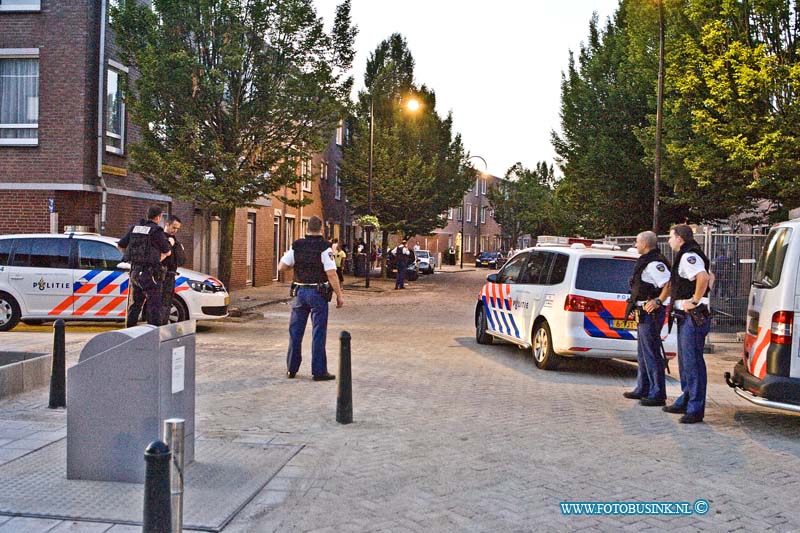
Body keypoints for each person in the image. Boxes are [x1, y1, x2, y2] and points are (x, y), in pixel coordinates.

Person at [278, 215, 344, 381]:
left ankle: (291, 369)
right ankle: (319, 371)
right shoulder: (325, 247)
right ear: (321, 229)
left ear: (306, 228)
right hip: (318, 293)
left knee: (295, 332)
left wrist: (297, 265)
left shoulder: (297, 246)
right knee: (318, 333)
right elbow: (331, 273)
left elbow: (281, 267)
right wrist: (339, 295)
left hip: (299, 293)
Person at [663, 224, 711, 424]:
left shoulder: (688, 256)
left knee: (693, 363)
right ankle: (687, 398)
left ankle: (695, 408)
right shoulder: (689, 253)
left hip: (693, 315)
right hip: (687, 316)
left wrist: (694, 300)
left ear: (680, 238)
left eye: (671, 236)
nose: (668, 240)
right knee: (685, 361)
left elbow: (704, 277)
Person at [623, 231, 671, 407]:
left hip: (651, 312)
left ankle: (658, 393)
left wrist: (658, 301)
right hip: (643, 311)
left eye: (637, 242)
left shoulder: (655, 263)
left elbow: (669, 283)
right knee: (643, 353)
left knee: (651, 353)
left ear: (645, 243)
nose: (635, 245)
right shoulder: (646, 260)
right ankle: (643, 387)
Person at [118, 205, 171, 327]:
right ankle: (153, 333)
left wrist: (133, 257)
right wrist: (156, 259)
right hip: (150, 273)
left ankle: (130, 331)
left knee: (135, 304)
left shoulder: (134, 229)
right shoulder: (156, 231)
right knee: (154, 305)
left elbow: (121, 245)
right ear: (159, 217)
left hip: (135, 272)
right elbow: (167, 251)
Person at [161, 215, 186, 324]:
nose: (175, 231)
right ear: (167, 224)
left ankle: (163, 324)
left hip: (170, 276)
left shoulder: (175, 241)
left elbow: (181, 261)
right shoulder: (160, 238)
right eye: (174, 227)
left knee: (167, 302)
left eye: (177, 229)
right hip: (161, 276)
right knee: (162, 304)